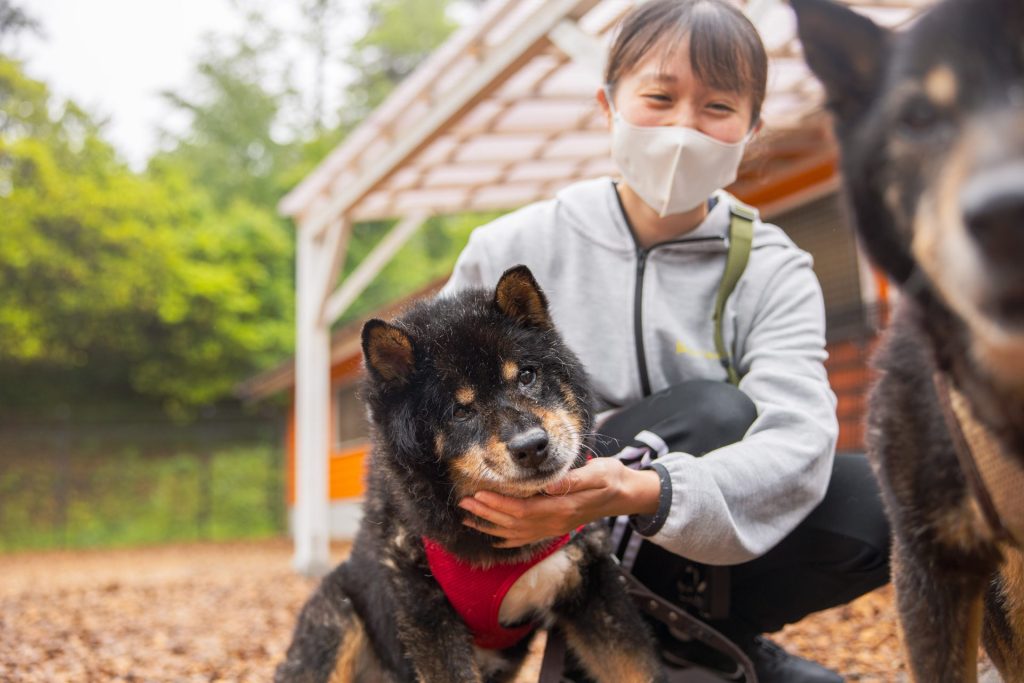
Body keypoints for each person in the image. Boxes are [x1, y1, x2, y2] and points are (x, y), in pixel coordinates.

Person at [442, 1, 890, 681]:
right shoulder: (510, 247)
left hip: (669, 515)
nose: (684, 127)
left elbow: (799, 438)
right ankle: (587, 644)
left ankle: (693, 643)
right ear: (608, 105)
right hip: (532, 516)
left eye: (718, 107)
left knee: (883, 502)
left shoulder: (772, 267)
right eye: (659, 97)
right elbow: (430, 402)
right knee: (711, 411)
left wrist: (643, 487)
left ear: (751, 129)